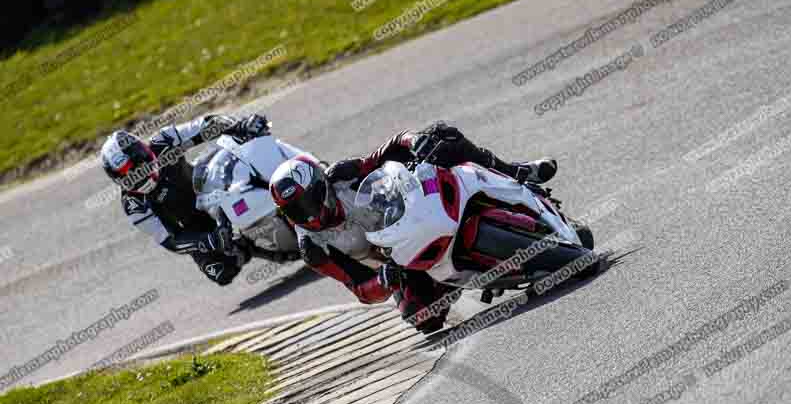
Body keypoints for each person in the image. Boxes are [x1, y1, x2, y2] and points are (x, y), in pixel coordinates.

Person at [270, 122, 557, 331]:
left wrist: (413, 141)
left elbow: (387, 150)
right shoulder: (312, 247)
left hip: (409, 212)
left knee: (442, 136)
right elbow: (358, 288)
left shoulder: (341, 175)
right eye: (294, 210)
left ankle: (516, 171)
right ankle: (465, 277)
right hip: (398, 260)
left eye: (308, 203)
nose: (306, 216)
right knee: (422, 317)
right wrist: (384, 279)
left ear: (322, 186)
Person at [101, 113, 296, 286]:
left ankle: (294, 174)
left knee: (246, 139)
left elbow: (206, 125)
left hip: (208, 185)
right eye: (127, 175)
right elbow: (170, 241)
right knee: (222, 271)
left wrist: (239, 125)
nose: (138, 175)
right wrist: (206, 241)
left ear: (143, 151)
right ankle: (250, 245)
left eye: (137, 166)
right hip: (196, 227)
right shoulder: (134, 205)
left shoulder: (163, 142)